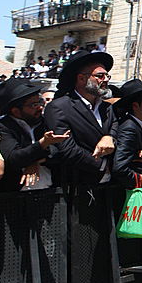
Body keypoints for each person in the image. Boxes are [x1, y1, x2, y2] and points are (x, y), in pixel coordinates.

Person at [43, 50, 117, 185]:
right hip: (76, 185)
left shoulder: (107, 108)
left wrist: (109, 137)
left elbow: (116, 129)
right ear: (82, 78)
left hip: (109, 185)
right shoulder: (59, 107)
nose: (105, 79)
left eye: (107, 76)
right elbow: (67, 149)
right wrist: (102, 166)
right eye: (100, 76)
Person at [0, 79, 68, 192]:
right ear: (16, 111)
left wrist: (36, 161)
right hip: (13, 196)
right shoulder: (1, 126)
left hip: (50, 192)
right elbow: (13, 158)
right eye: (33, 105)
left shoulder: (46, 121)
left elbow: (61, 151)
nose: (40, 108)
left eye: (40, 102)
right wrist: (42, 144)